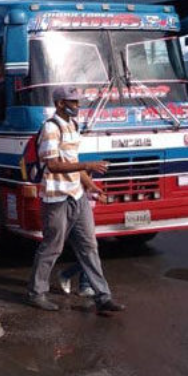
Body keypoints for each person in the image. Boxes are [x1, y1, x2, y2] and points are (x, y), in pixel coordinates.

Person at [26, 85, 125, 315]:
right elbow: (52, 165)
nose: (77, 106)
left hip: (76, 195)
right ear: (61, 104)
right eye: (73, 102)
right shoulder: (51, 128)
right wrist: (87, 166)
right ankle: (36, 292)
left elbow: (71, 160)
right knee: (52, 246)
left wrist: (90, 185)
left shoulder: (72, 125)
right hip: (56, 198)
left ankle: (103, 296)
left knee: (89, 245)